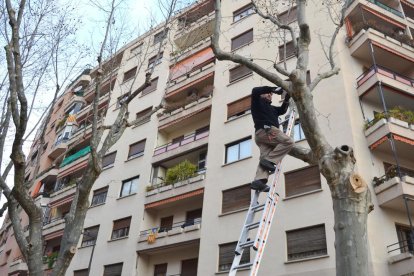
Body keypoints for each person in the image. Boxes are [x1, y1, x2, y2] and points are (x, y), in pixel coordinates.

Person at [250, 86, 294, 192]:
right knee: (288, 142)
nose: (270, 95)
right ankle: (269, 161)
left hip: (263, 135)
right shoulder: (257, 102)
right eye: (268, 93)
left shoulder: (272, 108)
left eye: (271, 94)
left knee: (265, 158)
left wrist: (287, 99)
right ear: (262, 94)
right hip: (267, 130)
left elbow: (282, 110)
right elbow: (255, 90)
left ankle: (259, 181)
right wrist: (273, 89)